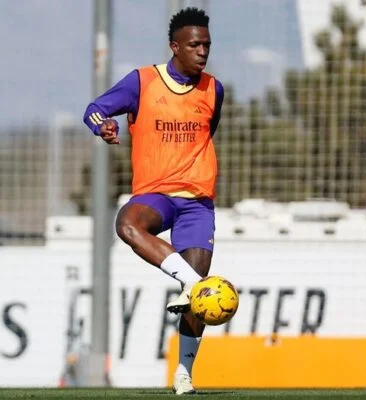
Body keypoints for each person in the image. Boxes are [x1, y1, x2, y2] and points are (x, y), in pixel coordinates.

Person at [82, 8, 223, 395]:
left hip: (197, 202)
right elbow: (94, 109)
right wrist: (104, 125)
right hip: (156, 194)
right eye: (194, 45)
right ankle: (194, 284)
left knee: (197, 306)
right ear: (174, 47)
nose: (202, 52)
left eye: (207, 45)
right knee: (127, 223)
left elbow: (208, 132)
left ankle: (184, 374)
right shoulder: (143, 81)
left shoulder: (213, 88)